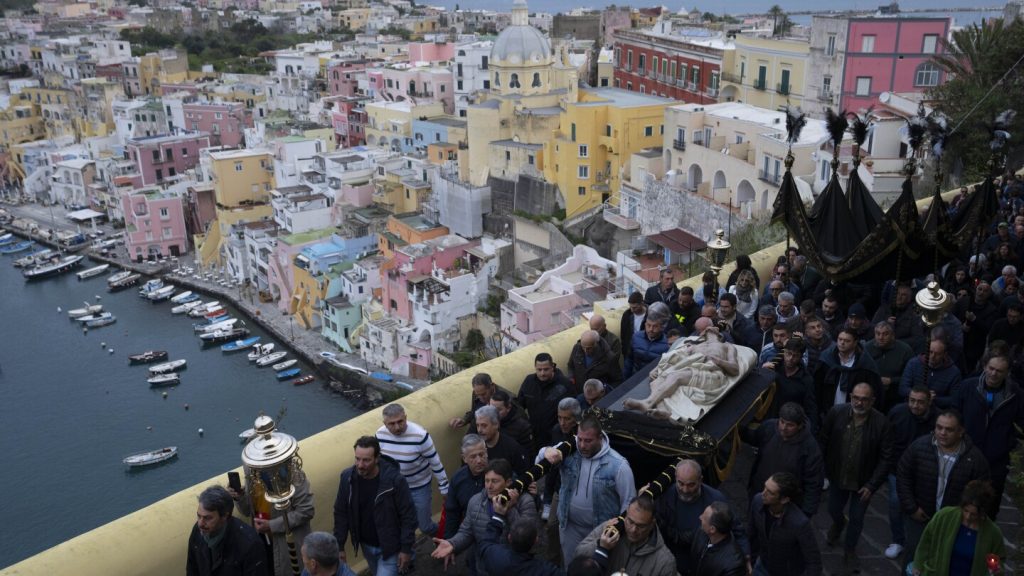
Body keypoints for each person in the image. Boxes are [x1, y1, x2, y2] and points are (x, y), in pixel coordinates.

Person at [896, 411, 990, 571]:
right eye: (939, 427)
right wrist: (911, 507)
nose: (942, 433)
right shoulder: (919, 447)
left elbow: (981, 493)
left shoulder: (975, 459)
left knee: (944, 558)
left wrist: (965, 517)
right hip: (920, 515)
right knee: (914, 553)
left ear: (961, 432)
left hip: (953, 521)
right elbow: (903, 475)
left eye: (949, 429)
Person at [818, 382, 893, 572]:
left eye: (864, 399)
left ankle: (850, 550)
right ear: (850, 397)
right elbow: (824, 441)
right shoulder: (836, 413)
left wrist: (872, 485)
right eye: (856, 398)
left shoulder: (881, 423)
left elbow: (886, 458)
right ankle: (838, 522)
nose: (859, 402)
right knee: (834, 509)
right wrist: (823, 469)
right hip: (838, 476)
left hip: (863, 483)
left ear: (872, 401)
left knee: (857, 518)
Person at [543, 417, 635, 566]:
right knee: (571, 567)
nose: (582, 445)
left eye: (588, 440)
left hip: (599, 532)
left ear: (600, 438)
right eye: (579, 439)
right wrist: (546, 451)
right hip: (569, 527)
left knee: (596, 569)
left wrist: (618, 532)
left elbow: (629, 502)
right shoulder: (569, 451)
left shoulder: (618, 465)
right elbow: (540, 459)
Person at [432, 459, 537, 576]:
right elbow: (467, 531)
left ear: (508, 482)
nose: (489, 486)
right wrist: (453, 543)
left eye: (494, 481)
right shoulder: (475, 501)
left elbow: (528, 539)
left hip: (513, 569)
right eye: (486, 481)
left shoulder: (525, 501)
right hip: (484, 568)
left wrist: (510, 509)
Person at [624, 325, 747, 422]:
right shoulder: (695, 346)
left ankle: (648, 403)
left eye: (712, 328)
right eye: (707, 329)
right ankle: (662, 411)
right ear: (702, 333)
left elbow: (735, 369)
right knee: (658, 380)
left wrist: (719, 361)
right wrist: (656, 368)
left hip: (712, 374)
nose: (710, 330)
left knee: (676, 376)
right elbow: (672, 357)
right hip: (692, 369)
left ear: (719, 334)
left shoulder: (727, 346)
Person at [333, 436, 417, 576]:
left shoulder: (395, 481)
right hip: (366, 545)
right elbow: (341, 513)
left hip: (390, 548)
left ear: (377, 458)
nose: (360, 465)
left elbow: (408, 516)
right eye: (357, 459)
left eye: (366, 460)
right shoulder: (347, 478)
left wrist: (406, 549)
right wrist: (339, 546)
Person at [956, 353, 1024, 515]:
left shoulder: (1016, 395)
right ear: (985, 367)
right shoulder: (968, 387)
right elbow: (955, 412)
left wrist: (1007, 442)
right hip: (966, 451)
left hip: (996, 459)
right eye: (991, 368)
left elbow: (1020, 423)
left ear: (1007, 373)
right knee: (959, 497)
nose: (993, 373)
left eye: (999, 371)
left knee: (989, 503)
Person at [654, 460, 749, 576]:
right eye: (681, 483)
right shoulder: (666, 495)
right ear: (675, 478)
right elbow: (671, 533)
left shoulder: (716, 499)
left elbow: (736, 528)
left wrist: (746, 557)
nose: (685, 490)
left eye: (691, 484)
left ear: (700, 480)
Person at [376, 403, 449, 539]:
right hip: (396, 489)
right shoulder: (379, 435)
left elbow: (435, 462)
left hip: (419, 487)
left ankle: (445, 537)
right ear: (384, 423)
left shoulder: (420, 436)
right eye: (391, 424)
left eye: (400, 421)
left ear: (406, 418)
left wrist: (444, 488)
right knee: (401, 525)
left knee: (425, 526)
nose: (397, 427)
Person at [742, 403, 824, 518]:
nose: (783, 428)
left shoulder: (810, 448)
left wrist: (806, 513)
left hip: (784, 503)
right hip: (759, 492)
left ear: (800, 426)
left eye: (790, 425)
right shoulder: (769, 427)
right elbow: (754, 437)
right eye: (782, 421)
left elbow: (814, 482)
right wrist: (738, 429)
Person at [884, 385, 938, 560]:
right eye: (912, 401)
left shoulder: (938, 419)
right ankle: (898, 539)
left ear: (929, 402)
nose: (915, 406)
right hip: (897, 469)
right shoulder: (897, 413)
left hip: (925, 472)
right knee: (896, 502)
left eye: (920, 402)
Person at [230, 467, 315, 576]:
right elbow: (247, 510)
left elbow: (306, 510)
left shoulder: (292, 472)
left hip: (287, 547)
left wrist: (272, 525)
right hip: (262, 542)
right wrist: (240, 497)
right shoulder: (252, 471)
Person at [912, 480, 1005, 576]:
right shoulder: (944, 516)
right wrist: (918, 565)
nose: (968, 516)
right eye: (965, 511)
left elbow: (999, 559)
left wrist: (997, 570)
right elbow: (926, 541)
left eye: (973, 514)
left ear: (982, 513)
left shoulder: (993, 533)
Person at [575, 495, 677, 576]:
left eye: (641, 526)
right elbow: (578, 554)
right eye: (630, 522)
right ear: (626, 514)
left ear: (652, 524)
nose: (633, 530)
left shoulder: (664, 561)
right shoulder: (610, 528)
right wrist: (601, 545)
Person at [748, 473, 822, 576]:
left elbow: (813, 560)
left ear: (784, 499)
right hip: (762, 566)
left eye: (770, 492)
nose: (763, 494)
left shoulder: (799, 523)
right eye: (765, 487)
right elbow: (752, 533)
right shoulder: (757, 501)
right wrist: (750, 560)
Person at [187, 485, 269, 576]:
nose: (200, 523)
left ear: (224, 516)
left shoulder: (250, 545)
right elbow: (192, 569)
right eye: (199, 516)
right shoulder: (197, 531)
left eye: (208, 518)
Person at [478, 492, 564, 576]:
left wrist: (498, 515)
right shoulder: (545, 570)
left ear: (509, 537)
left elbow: (486, 542)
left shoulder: (495, 557)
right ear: (536, 540)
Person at [539, 397, 582, 563]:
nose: (562, 422)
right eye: (560, 417)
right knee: (552, 526)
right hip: (561, 487)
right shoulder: (557, 430)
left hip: (579, 487)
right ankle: (554, 562)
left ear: (576, 418)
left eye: (567, 418)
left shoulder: (584, 434)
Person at [813, 328, 882, 423]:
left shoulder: (865, 364)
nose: (842, 343)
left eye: (847, 341)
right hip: (828, 411)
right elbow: (817, 388)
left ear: (855, 343)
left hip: (856, 414)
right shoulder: (827, 359)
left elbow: (875, 392)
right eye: (840, 339)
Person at [672, 502, 747, 576]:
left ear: (712, 529)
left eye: (704, 518)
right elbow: (680, 538)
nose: (700, 517)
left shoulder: (734, 565)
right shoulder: (702, 532)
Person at [517, 353, 573, 451]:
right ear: (535, 368)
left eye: (546, 369)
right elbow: (519, 406)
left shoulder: (565, 385)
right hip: (534, 438)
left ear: (552, 367)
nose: (542, 373)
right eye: (539, 370)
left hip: (556, 438)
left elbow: (573, 411)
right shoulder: (529, 382)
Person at [763, 337, 818, 426]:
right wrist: (762, 372)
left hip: (790, 425)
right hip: (769, 422)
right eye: (788, 353)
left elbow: (810, 408)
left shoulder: (806, 380)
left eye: (795, 355)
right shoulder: (773, 369)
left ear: (801, 357)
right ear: (784, 352)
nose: (790, 358)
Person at [864, 321, 915, 412]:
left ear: (892, 335)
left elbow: (912, 376)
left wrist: (892, 380)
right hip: (871, 394)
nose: (881, 337)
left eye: (885, 334)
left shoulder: (905, 350)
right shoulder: (867, 348)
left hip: (895, 396)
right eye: (878, 334)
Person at [445, 435, 489, 541]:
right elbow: (452, 513)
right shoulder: (458, 479)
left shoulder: (498, 472)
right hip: (470, 532)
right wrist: (450, 542)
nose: (479, 460)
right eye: (473, 457)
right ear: (464, 458)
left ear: (486, 453)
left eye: (481, 454)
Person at [898, 337, 962, 409]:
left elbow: (955, 399)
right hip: (912, 407)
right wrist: (921, 395)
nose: (932, 356)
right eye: (930, 352)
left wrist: (935, 399)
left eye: (937, 354)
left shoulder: (953, 372)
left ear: (945, 354)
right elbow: (902, 389)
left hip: (937, 411)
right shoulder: (913, 363)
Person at [475, 405, 528, 476]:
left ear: (496, 424)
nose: (479, 430)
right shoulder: (476, 447)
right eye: (477, 425)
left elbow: (523, 476)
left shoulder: (512, 448)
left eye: (484, 425)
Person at [872, 283, 925, 353]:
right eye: (898, 293)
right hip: (880, 347)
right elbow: (872, 328)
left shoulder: (914, 313)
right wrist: (886, 324)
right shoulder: (884, 308)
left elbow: (917, 338)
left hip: (901, 350)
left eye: (903, 295)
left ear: (909, 299)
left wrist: (895, 343)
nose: (899, 297)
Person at [624, 302, 671, 378]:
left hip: (653, 379)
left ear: (662, 327)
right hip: (635, 377)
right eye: (648, 325)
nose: (651, 329)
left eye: (655, 326)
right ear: (645, 324)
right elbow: (629, 360)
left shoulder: (667, 344)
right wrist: (625, 378)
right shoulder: (636, 337)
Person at [620, 292, 647, 361]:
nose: (632, 310)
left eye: (634, 307)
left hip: (644, 350)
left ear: (641, 304)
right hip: (630, 351)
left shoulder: (650, 314)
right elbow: (623, 334)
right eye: (631, 307)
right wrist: (624, 351)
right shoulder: (627, 314)